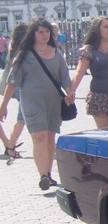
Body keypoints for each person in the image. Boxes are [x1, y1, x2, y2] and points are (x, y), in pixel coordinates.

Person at [0, 17, 72, 189]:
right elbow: (12, 82)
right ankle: (43, 176)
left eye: (47, 32)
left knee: (50, 137)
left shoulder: (56, 53)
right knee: (39, 136)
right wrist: (3, 106)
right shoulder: (24, 55)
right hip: (32, 102)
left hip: (53, 102)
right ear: (33, 34)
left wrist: (70, 92)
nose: (44, 35)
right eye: (40, 32)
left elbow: (64, 77)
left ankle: (48, 173)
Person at [0, 23, 29, 160]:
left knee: (26, 118)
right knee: (23, 118)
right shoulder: (20, 52)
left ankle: (8, 144)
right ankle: (9, 145)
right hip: (21, 88)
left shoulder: (16, 49)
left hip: (21, 87)